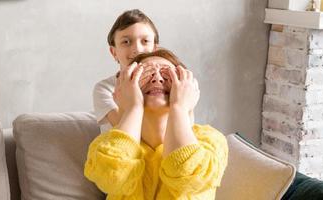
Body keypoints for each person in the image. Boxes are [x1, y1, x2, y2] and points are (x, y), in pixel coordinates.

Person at [84, 48, 228, 199]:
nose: (157, 79)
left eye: (167, 74)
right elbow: (112, 178)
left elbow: (186, 175)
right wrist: (133, 107)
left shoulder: (211, 140)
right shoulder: (107, 144)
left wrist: (179, 107)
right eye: (146, 74)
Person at [93, 9, 194, 133]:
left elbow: (187, 126)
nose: (137, 49)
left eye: (145, 41)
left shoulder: (170, 82)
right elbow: (125, 129)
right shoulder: (105, 88)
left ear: (155, 49)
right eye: (126, 42)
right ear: (114, 52)